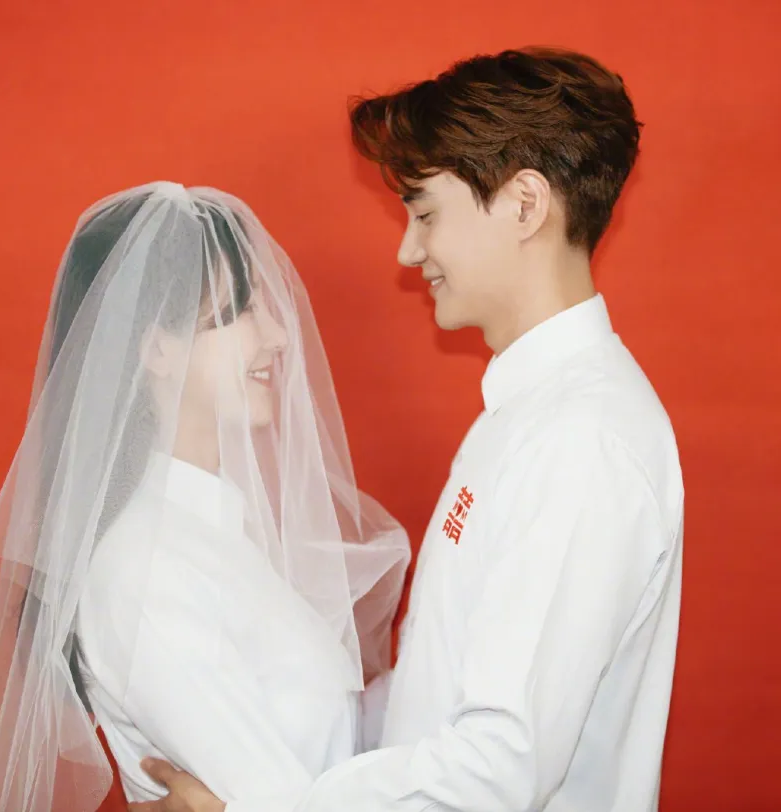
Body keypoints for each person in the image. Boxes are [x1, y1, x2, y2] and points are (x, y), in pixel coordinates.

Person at [141, 46, 685, 812]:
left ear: (525, 205)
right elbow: (440, 693)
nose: (407, 250)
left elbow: (500, 766)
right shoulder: (529, 417)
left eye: (425, 213)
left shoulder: (579, 440)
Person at [0, 182, 411, 811]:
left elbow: (333, 749)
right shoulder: (143, 573)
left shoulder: (218, 530)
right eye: (239, 312)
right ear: (156, 348)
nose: (278, 336)